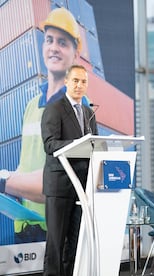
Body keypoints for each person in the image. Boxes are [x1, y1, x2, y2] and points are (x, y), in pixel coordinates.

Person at [0, 7, 86, 243]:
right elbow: (25, 165)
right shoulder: (31, 105)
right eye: (49, 40)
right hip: (25, 230)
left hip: (57, 232)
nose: (54, 48)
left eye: (62, 42)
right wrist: (9, 180)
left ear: (76, 53)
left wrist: (5, 182)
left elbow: (54, 182)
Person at [41, 64, 98, 276]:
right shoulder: (54, 109)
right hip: (60, 184)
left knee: (75, 242)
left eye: (83, 82)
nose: (79, 85)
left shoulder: (89, 112)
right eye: (75, 80)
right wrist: (77, 144)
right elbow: (50, 144)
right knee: (56, 243)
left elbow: (94, 146)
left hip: (83, 187)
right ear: (66, 82)